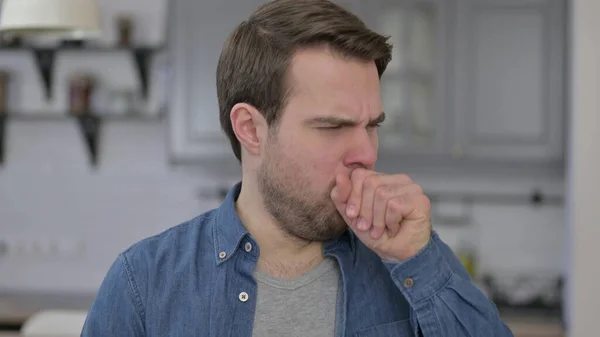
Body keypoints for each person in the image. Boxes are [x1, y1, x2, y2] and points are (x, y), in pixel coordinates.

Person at [81, 0, 514, 336]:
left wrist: (420, 259)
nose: (365, 152)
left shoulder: (411, 266)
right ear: (250, 128)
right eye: (333, 126)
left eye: (372, 126)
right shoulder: (144, 285)